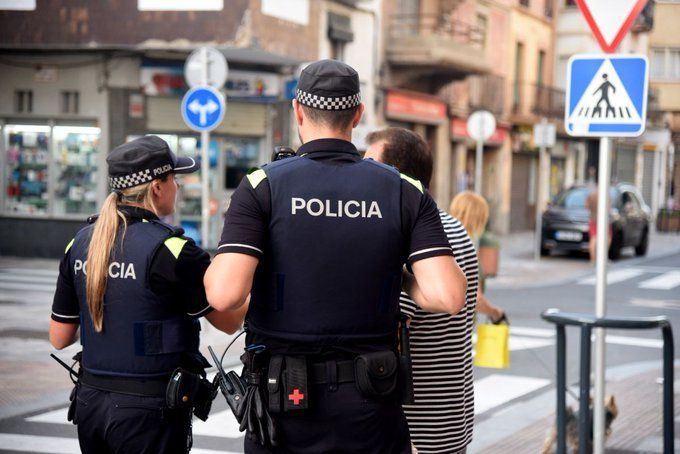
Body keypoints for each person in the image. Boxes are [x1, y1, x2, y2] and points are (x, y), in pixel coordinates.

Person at [204, 59, 467, 453]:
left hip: (284, 407)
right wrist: (393, 269)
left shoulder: (262, 186)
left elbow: (224, 296)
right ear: (357, 114)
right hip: (371, 406)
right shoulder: (404, 191)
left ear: (297, 111)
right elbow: (448, 297)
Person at [49, 136, 248, 454]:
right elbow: (228, 320)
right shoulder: (173, 251)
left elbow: (59, 337)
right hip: (150, 414)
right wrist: (249, 280)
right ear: (158, 186)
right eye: (175, 179)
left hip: (91, 404)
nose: (178, 188)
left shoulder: (80, 244)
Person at [365, 127, 478, 454]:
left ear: (393, 177)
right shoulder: (450, 226)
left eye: (369, 165)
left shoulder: (420, 239)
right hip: (447, 418)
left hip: (417, 429)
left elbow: (386, 324)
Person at [449, 191, 506, 323]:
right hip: (457, 330)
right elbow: (476, 299)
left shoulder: (441, 237)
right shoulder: (466, 247)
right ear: (479, 218)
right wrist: (496, 313)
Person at [585, 188, 612, 263]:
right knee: (607, 238)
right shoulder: (606, 195)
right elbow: (609, 207)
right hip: (604, 220)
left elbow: (586, 206)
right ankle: (603, 258)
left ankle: (593, 259)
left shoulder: (591, 194)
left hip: (593, 219)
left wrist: (592, 210)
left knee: (593, 238)